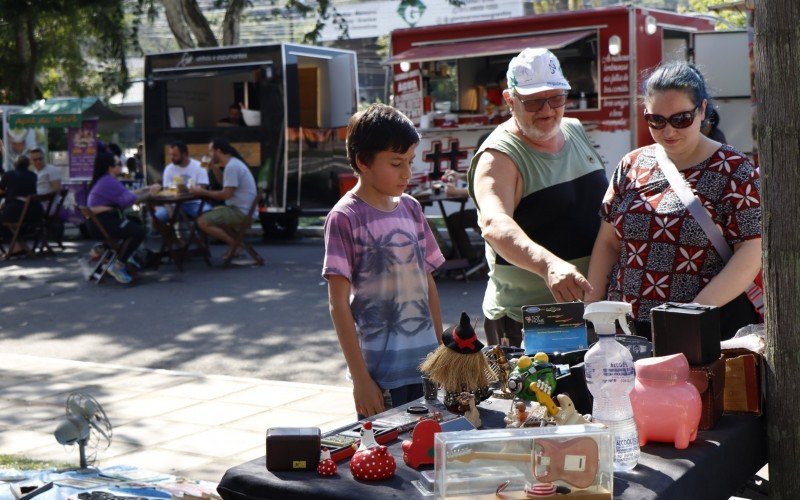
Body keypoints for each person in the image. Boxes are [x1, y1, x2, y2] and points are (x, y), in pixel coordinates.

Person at [585, 61, 761, 339]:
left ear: (703, 110)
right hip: (627, 329)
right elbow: (608, 242)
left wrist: (688, 316)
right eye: (656, 120)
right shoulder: (631, 164)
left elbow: (751, 252)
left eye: (681, 119)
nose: (668, 131)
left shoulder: (734, 168)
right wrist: (591, 311)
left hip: (704, 329)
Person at [468, 48, 608, 347]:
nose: (547, 110)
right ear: (510, 100)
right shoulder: (499, 155)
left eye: (556, 98)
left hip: (593, 306)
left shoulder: (574, 129)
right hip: (531, 319)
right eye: (532, 101)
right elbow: (494, 223)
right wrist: (548, 265)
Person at [322, 103, 445, 418]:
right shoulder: (345, 217)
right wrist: (361, 379)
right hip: (380, 373)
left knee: (426, 451)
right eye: (395, 163)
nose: (407, 173)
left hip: (425, 367)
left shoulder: (413, 209)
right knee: (384, 457)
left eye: (410, 161)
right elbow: (338, 303)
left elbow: (427, 281)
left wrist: (442, 352)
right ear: (363, 161)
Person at [86, 153, 160, 284]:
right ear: (110, 168)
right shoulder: (108, 181)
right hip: (103, 223)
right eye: (118, 164)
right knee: (138, 231)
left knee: (135, 222)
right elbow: (132, 201)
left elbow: (126, 195)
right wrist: (150, 194)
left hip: (98, 223)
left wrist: (145, 189)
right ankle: (118, 265)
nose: (121, 166)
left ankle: (110, 252)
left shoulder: (105, 180)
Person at [190, 138, 257, 261]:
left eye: (210, 151)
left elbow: (225, 195)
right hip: (242, 210)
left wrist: (202, 192)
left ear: (218, 151)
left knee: (202, 221)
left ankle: (235, 245)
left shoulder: (232, 167)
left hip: (240, 212)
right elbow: (223, 183)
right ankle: (236, 245)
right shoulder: (232, 164)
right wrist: (214, 168)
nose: (209, 154)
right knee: (208, 214)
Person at [154, 141, 209, 222]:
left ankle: (200, 233)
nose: (171, 157)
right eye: (171, 155)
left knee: (207, 216)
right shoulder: (169, 168)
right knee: (157, 217)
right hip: (174, 203)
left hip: (195, 203)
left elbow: (203, 188)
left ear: (184, 154)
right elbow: (166, 191)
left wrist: (186, 189)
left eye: (175, 155)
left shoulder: (198, 166)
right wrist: (170, 207)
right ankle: (171, 235)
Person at [0, 155, 43, 255]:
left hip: (18, 211)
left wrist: (8, 193)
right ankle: (21, 246)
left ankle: (16, 247)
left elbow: (1, 190)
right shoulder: (33, 175)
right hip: (35, 212)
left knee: (2, 220)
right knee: (10, 221)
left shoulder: (9, 175)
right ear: (28, 165)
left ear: (15, 165)